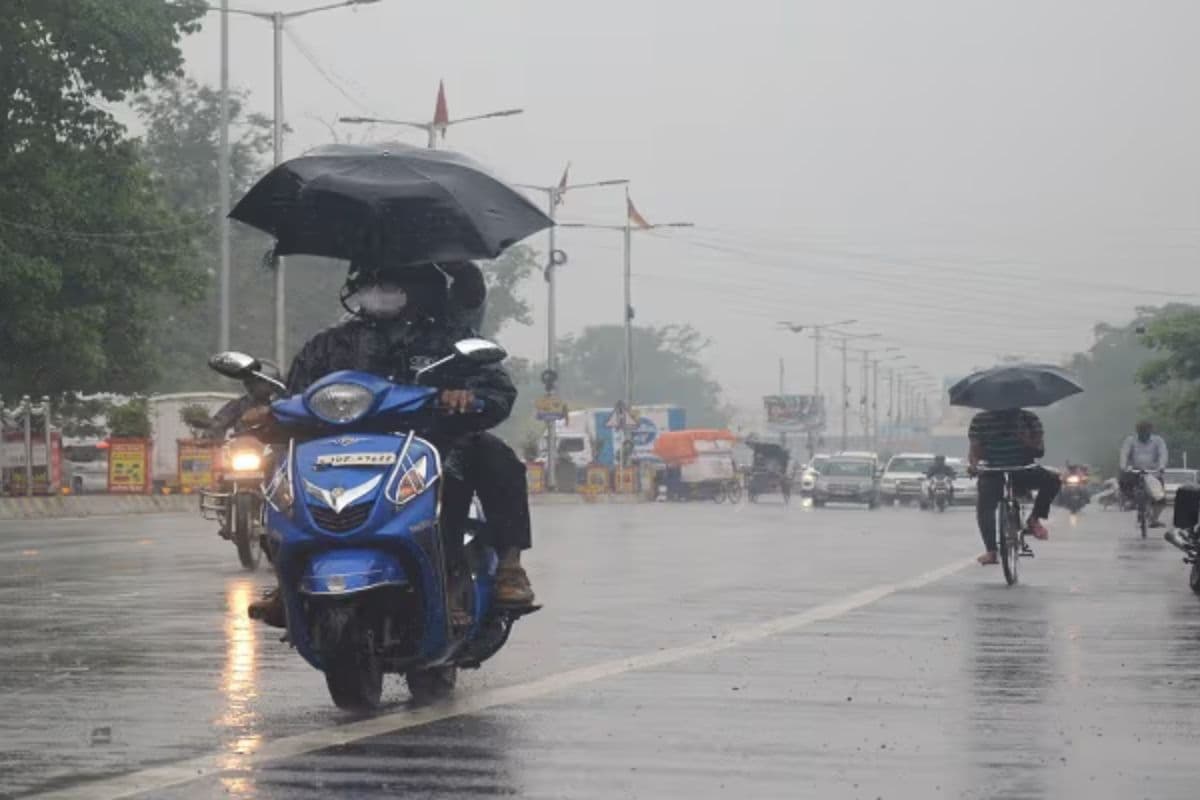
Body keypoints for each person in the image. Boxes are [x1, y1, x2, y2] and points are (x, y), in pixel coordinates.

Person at [248, 259, 535, 626]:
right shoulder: (329, 345)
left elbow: (496, 390)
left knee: (495, 459)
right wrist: (269, 414)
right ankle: (287, 579)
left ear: (422, 289)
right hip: (341, 447)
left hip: (433, 442)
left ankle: (507, 566)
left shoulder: (450, 339)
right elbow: (296, 396)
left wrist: (466, 396)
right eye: (373, 283)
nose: (381, 293)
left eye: (394, 284)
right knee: (279, 471)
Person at [968, 407, 1061, 565]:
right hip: (993, 470)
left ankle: (1034, 519)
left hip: (1023, 469)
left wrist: (1027, 441)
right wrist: (974, 465)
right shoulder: (979, 420)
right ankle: (991, 551)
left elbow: (1039, 451)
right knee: (984, 506)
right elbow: (974, 449)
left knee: (1053, 481)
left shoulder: (1029, 419)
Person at [203, 361, 282, 440]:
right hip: (245, 448)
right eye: (248, 380)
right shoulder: (238, 405)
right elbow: (218, 423)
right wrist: (211, 436)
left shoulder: (282, 405)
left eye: (257, 381)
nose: (250, 384)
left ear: (273, 384)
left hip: (278, 449)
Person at [1119, 421, 1169, 527]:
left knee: (1160, 498)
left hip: (1153, 472)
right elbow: (1124, 453)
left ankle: (1154, 519)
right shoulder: (1130, 440)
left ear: (1151, 431)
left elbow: (1163, 454)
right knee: (1124, 480)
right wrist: (1123, 467)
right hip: (1135, 471)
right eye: (1141, 432)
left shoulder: (1158, 441)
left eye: (1146, 432)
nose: (1144, 434)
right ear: (1137, 431)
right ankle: (1130, 500)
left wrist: (1161, 467)